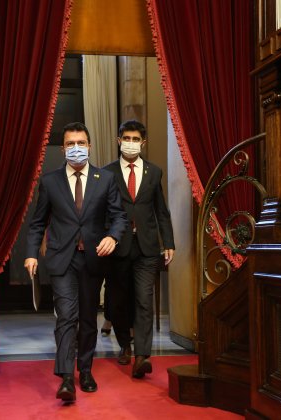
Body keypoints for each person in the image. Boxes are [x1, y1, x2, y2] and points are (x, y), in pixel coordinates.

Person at [24, 122, 127, 402]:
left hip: (93, 259)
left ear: (90, 146)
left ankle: (86, 370)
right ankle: (67, 377)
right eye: (71, 144)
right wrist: (32, 253)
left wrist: (113, 238)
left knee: (87, 319)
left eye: (81, 143)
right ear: (63, 149)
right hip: (61, 259)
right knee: (66, 316)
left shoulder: (104, 179)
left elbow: (119, 216)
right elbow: (36, 223)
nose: (76, 148)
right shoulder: (49, 182)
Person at [104, 119, 175, 378]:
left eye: (136, 139)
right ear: (118, 140)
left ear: (143, 142)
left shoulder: (154, 173)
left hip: (147, 246)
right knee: (119, 300)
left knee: (144, 299)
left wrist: (168, 242)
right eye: (127, 138)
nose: (131, 143)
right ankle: (125, 344)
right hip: (118, 246)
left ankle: (142, 356)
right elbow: (102, 212)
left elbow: (161, 210)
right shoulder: (106, 173)